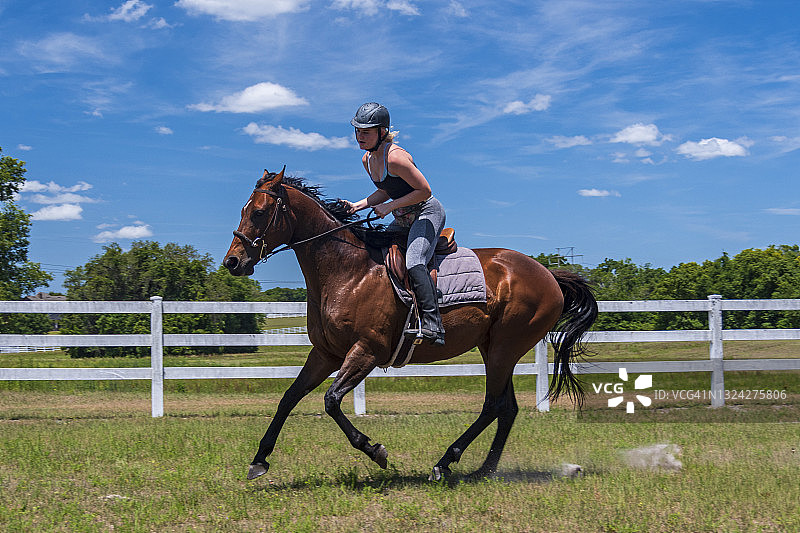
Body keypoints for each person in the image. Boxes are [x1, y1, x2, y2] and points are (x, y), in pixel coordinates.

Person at [342, 102, 446, 346]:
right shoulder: (367, 160)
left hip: (426, 213)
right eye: (358, 131)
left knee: (414, 261)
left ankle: (433, 324)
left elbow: (425, 191)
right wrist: (356, 206)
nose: (360, 137)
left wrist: (389, 207)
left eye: (366, 132)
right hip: (402, 218)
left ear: (382, 132)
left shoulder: (396, 158)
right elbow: (386, 190)